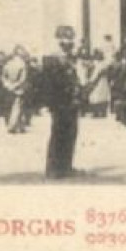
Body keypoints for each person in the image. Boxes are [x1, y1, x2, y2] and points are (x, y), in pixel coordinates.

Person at [43, 27, 84, 179]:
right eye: (66, 38)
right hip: (60, 102)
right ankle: (54, 169)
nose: (70, 41)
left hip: (71, 101)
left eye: (71, 38)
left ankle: (66, 166)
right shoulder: (53, 58)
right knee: (59, 134)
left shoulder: (69, 57)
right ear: (58, 39)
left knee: (71, 133)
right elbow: (52, 83)